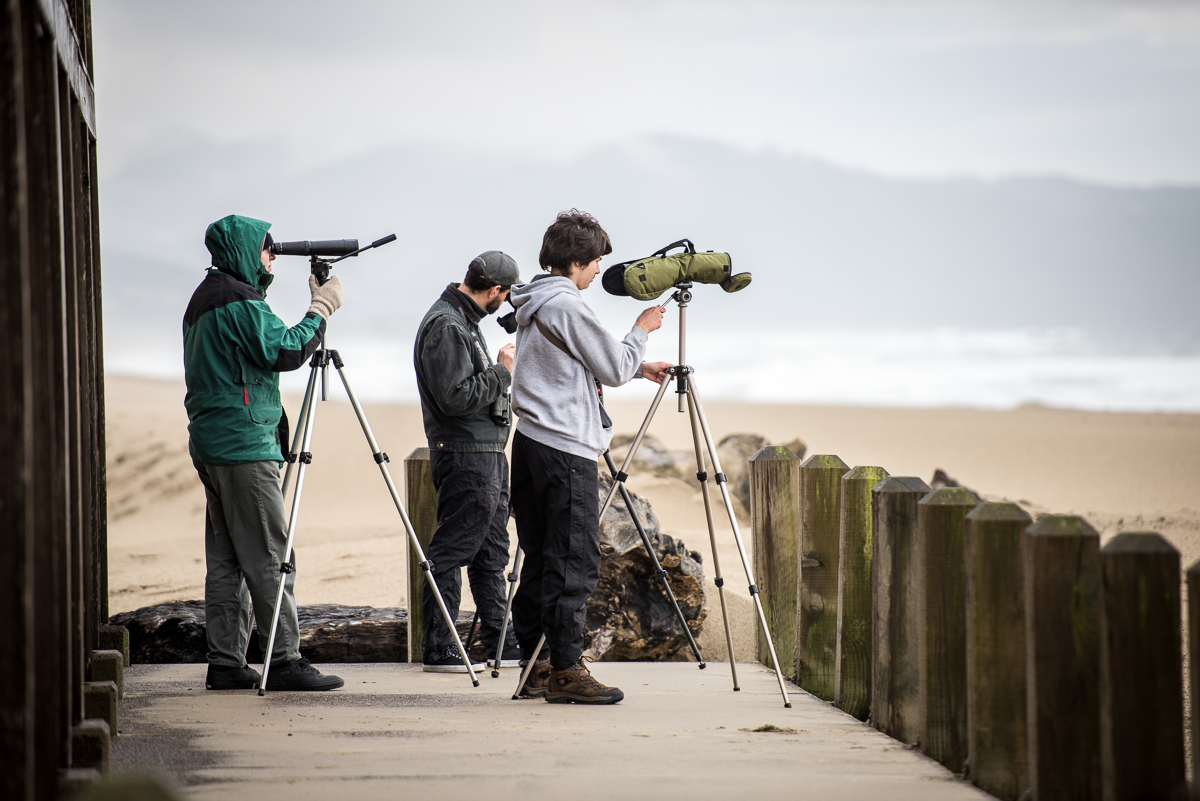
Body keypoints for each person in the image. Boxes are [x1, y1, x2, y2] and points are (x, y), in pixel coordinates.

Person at [508, 210, 670, 704]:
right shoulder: (568, 306)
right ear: (577, 261)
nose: (600, 270)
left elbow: (565, 365)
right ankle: (565, 670)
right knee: (574, 562)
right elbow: (613, 368)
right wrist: (641, 329)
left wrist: (638, 366)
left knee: (540, 557)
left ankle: (535, 665)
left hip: (531, 441)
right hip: (565, 447)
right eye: (597, 261)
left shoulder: (533, 299)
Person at [184, 214, 345, 692]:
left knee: (228, 559)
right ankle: (284, 659)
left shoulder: (205, 299)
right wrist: (321, 307)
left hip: (214, 443)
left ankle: (227, 661)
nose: (272, 257)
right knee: (271, 555)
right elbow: (287, 351)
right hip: (243, 446)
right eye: (265, 250)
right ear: (244, 252)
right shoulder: (239, 301)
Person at [412, 251, 523, 672]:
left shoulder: (464, 322)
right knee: (452, 549)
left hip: (487, 453)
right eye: (506, 294)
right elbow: (455, 398)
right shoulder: (446, 325)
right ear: (494, 290)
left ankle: (500, 643)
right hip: (466, 455)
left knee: (491, 552)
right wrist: (502, 371)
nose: (506, 302)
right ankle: (439, 648)